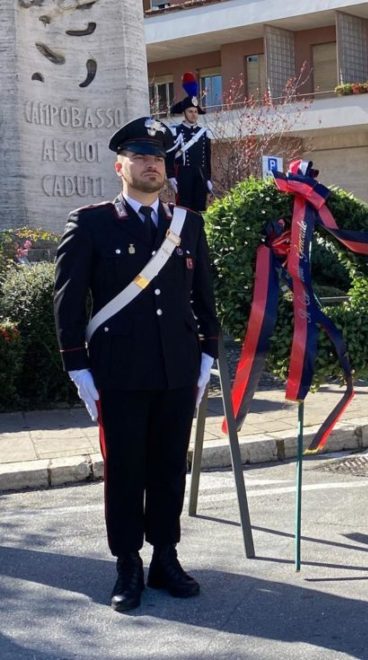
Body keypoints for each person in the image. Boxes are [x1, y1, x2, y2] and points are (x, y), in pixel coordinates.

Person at [53, 116, 219, 612]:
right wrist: (77, 368)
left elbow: (203, 297)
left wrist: (208, 354)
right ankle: (128, 561)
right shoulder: (92, 223)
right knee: (125, 469)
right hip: (119, 371)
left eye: (158, 158)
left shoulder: (187, 224)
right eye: (141, 156)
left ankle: (166, 556)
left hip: (176, 368)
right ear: (119, 165)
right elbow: (67, 301)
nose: (152, 165)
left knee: (170, 466)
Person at [166, 75, 213, 212]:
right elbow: (169, 156)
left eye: (195, 112)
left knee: (200, 208)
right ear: (184, 113)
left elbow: (207, 157)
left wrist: (208, 178)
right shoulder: (176, 131)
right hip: (183, 174)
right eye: (190, 111)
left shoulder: (204, 132)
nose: (194, 114)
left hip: (200, 174)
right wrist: (171, 176)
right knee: (184, 208)